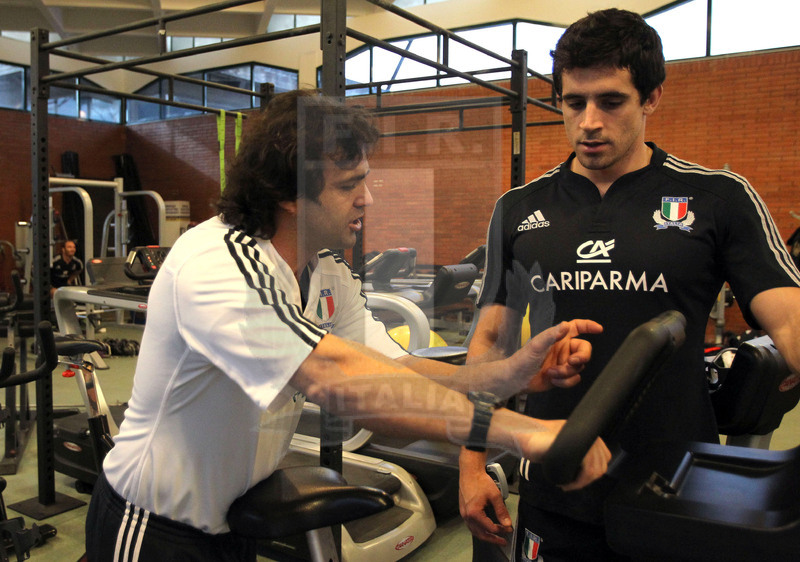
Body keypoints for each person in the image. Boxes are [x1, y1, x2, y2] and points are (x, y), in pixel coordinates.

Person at [84, 89, 611, 562]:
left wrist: (510, 376)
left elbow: (396, 369)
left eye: (365, 180)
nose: (368, 198)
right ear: (289, 194)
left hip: (233, 525)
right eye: (348, 185)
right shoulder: (220, 264)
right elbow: (334, 378)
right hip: (154, 528)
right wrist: (528, 434)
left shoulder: (326, 269)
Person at [458, 8, 800, 562]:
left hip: (677, 485)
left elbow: (789, 318)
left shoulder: (719, 198)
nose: (589, 121)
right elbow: (489, 344)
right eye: (574, 103)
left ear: (652, 97)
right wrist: (472, 464)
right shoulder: (519, 210)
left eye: (611, 101)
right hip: (555, 480)